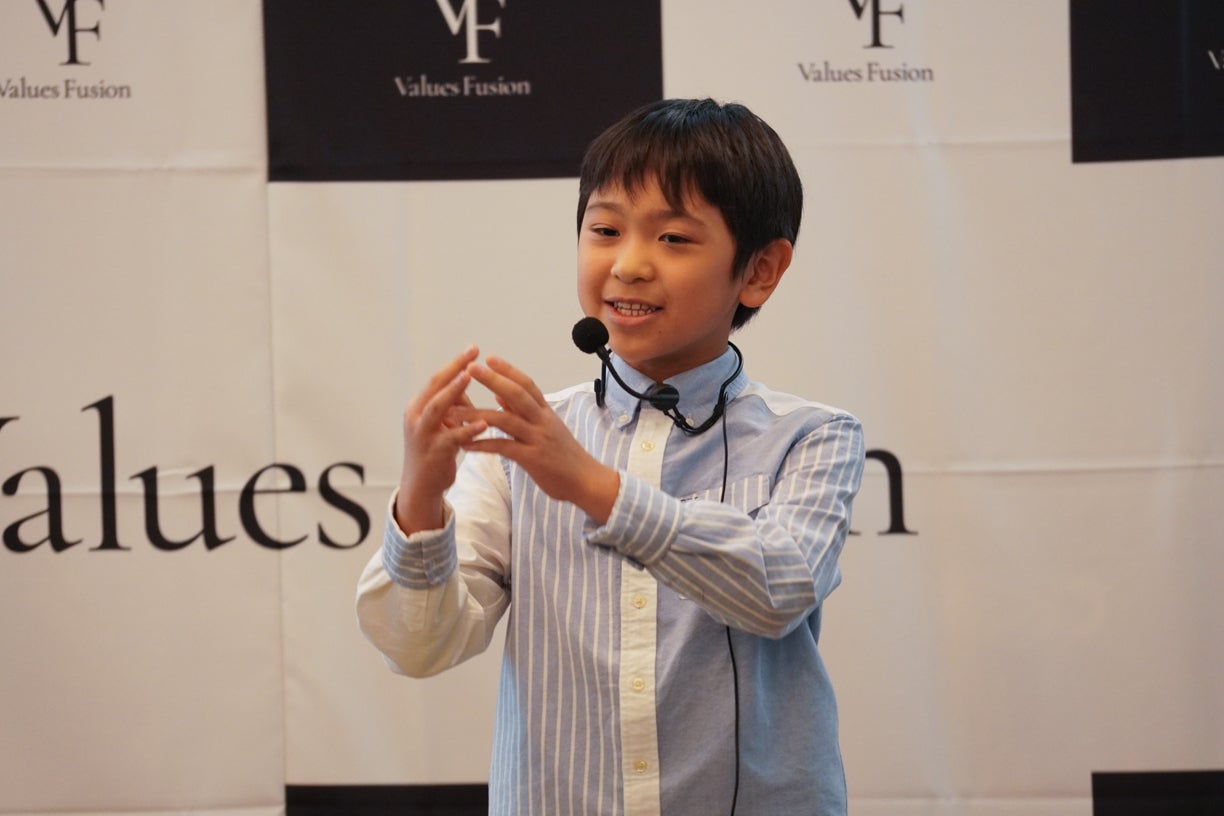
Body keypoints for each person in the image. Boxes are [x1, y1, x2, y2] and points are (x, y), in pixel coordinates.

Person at [357, 97, 865, 816]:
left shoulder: (813, 436)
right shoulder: (519, 448)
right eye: (605, 230)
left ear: (759, 270)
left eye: (674, 238)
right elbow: (419, 648)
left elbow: (778, 587)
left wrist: (594, 487)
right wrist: (420, 499)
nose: (628, 265)